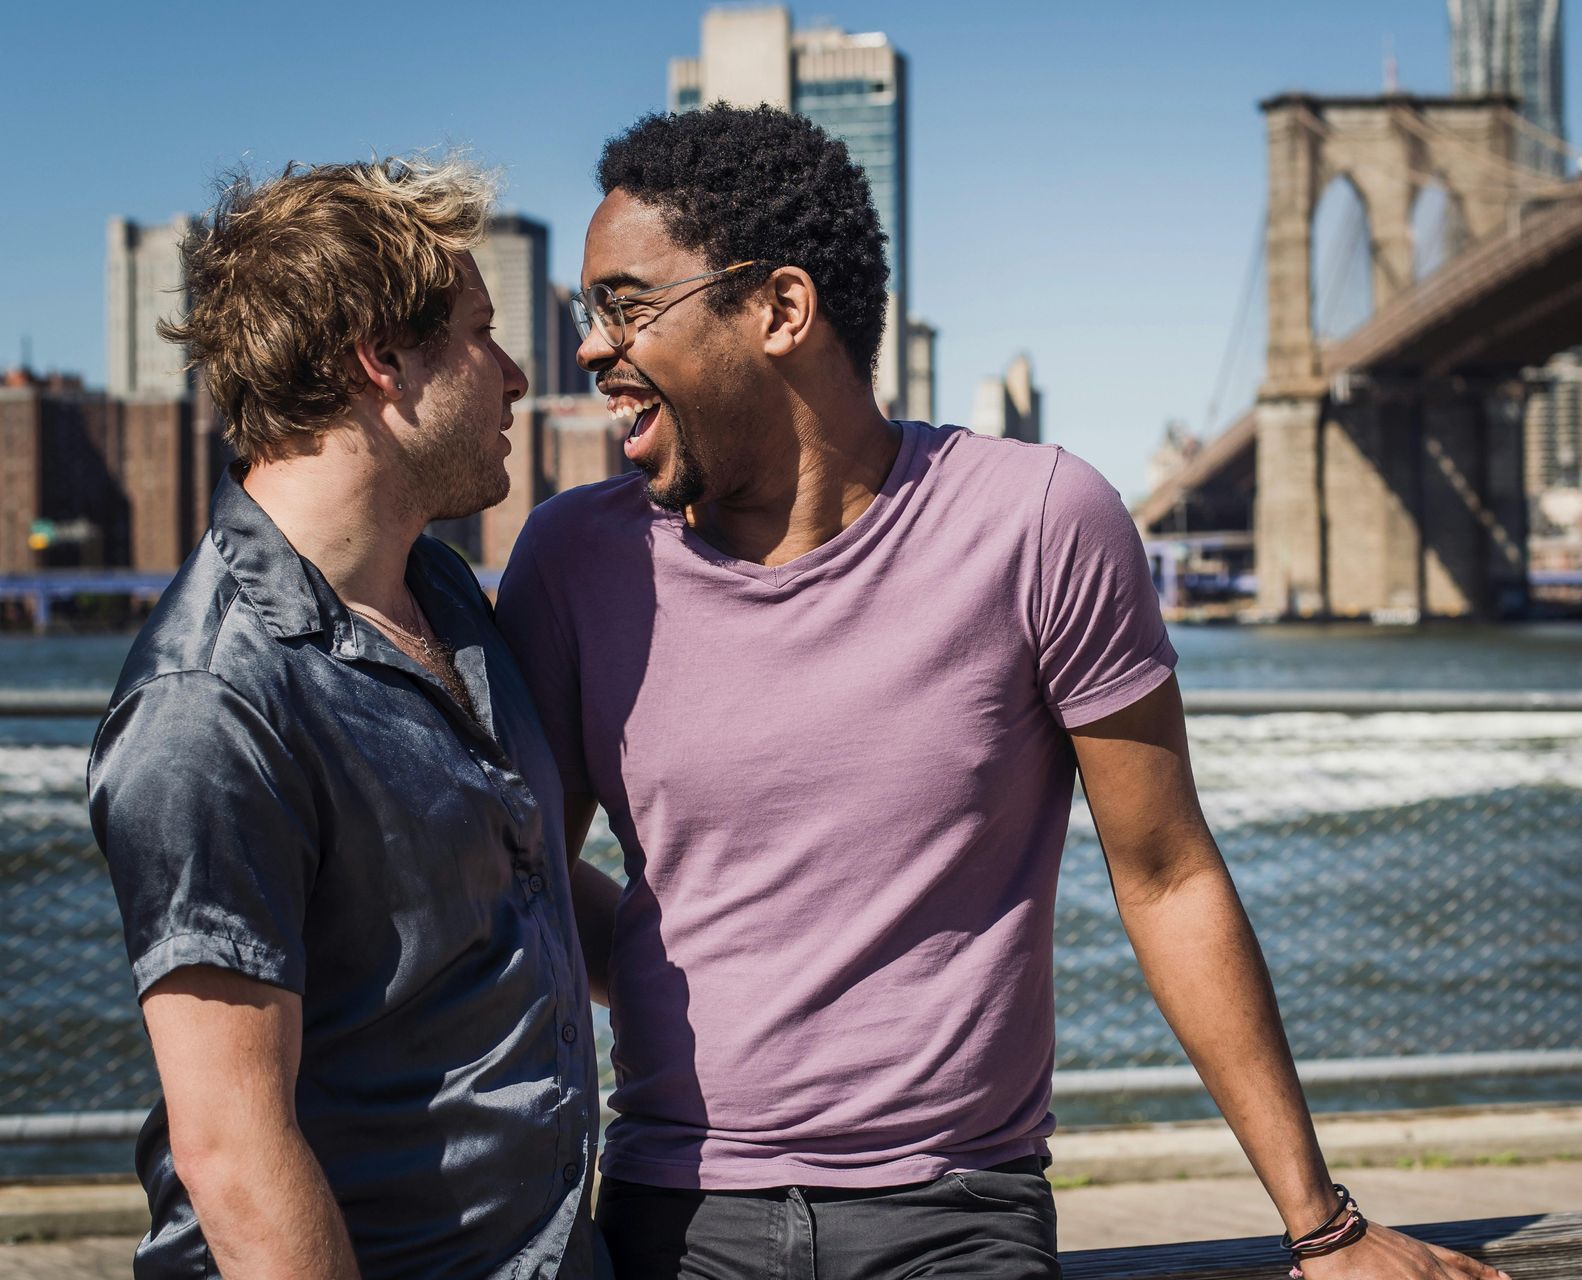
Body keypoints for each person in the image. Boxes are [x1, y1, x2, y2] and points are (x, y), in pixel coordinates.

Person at [497, 104, 1509, 1280]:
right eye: (589, 311)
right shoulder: (575, 559)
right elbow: (516, 878)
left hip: (958, 1215)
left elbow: (1168, 872)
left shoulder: (1039, 521)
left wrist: (1322, 1225)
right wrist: (703, 967)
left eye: (625, 304)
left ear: (779, 309)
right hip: (674, 1212)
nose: (588, 347)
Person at [89, 157, 608, 1280]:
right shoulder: (211, 703)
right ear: (382, 356)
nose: (518, 374)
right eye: (481, 332)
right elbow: (234, 1151)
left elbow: (520, 887)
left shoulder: (451, 595)